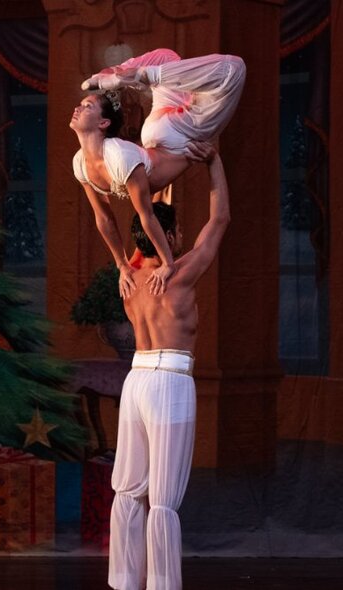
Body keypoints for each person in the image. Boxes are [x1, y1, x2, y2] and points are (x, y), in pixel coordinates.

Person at [108, 142, 229, 590]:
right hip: (169, 382)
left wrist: (156, 169)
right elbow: (219, 221)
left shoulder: (128, 277)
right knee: (161, 500)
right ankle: (161, 585)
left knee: (128, 489)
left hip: (135, 379)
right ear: (172, 240)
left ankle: (123, 582)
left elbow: (147, 219)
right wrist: (213, 164)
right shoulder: (180, 274)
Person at [71, 49, 244, 298]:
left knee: (231, 68)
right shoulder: (80, 163)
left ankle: (133, 74)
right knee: (175, 59)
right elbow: (105, 219)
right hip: (170, 134)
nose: (77, 108)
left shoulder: (121, 155)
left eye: (86, 106)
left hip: (175, 136)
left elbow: (147, 215)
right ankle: (121, 73)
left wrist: (167, 264)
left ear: (104, 123)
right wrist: (121, 265)